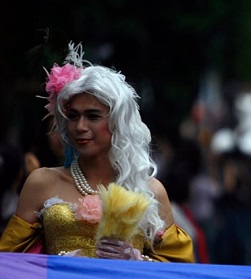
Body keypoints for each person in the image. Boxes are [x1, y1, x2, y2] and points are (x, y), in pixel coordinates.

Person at [0, 42, 194, 262]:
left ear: (118, 122)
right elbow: (7, 263)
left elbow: (180, 270)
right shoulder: (40, 182)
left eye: (92, 116)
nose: (80, 126)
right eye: (73, 116)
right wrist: (51, 266)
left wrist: (139, 262)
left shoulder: (151, 192)